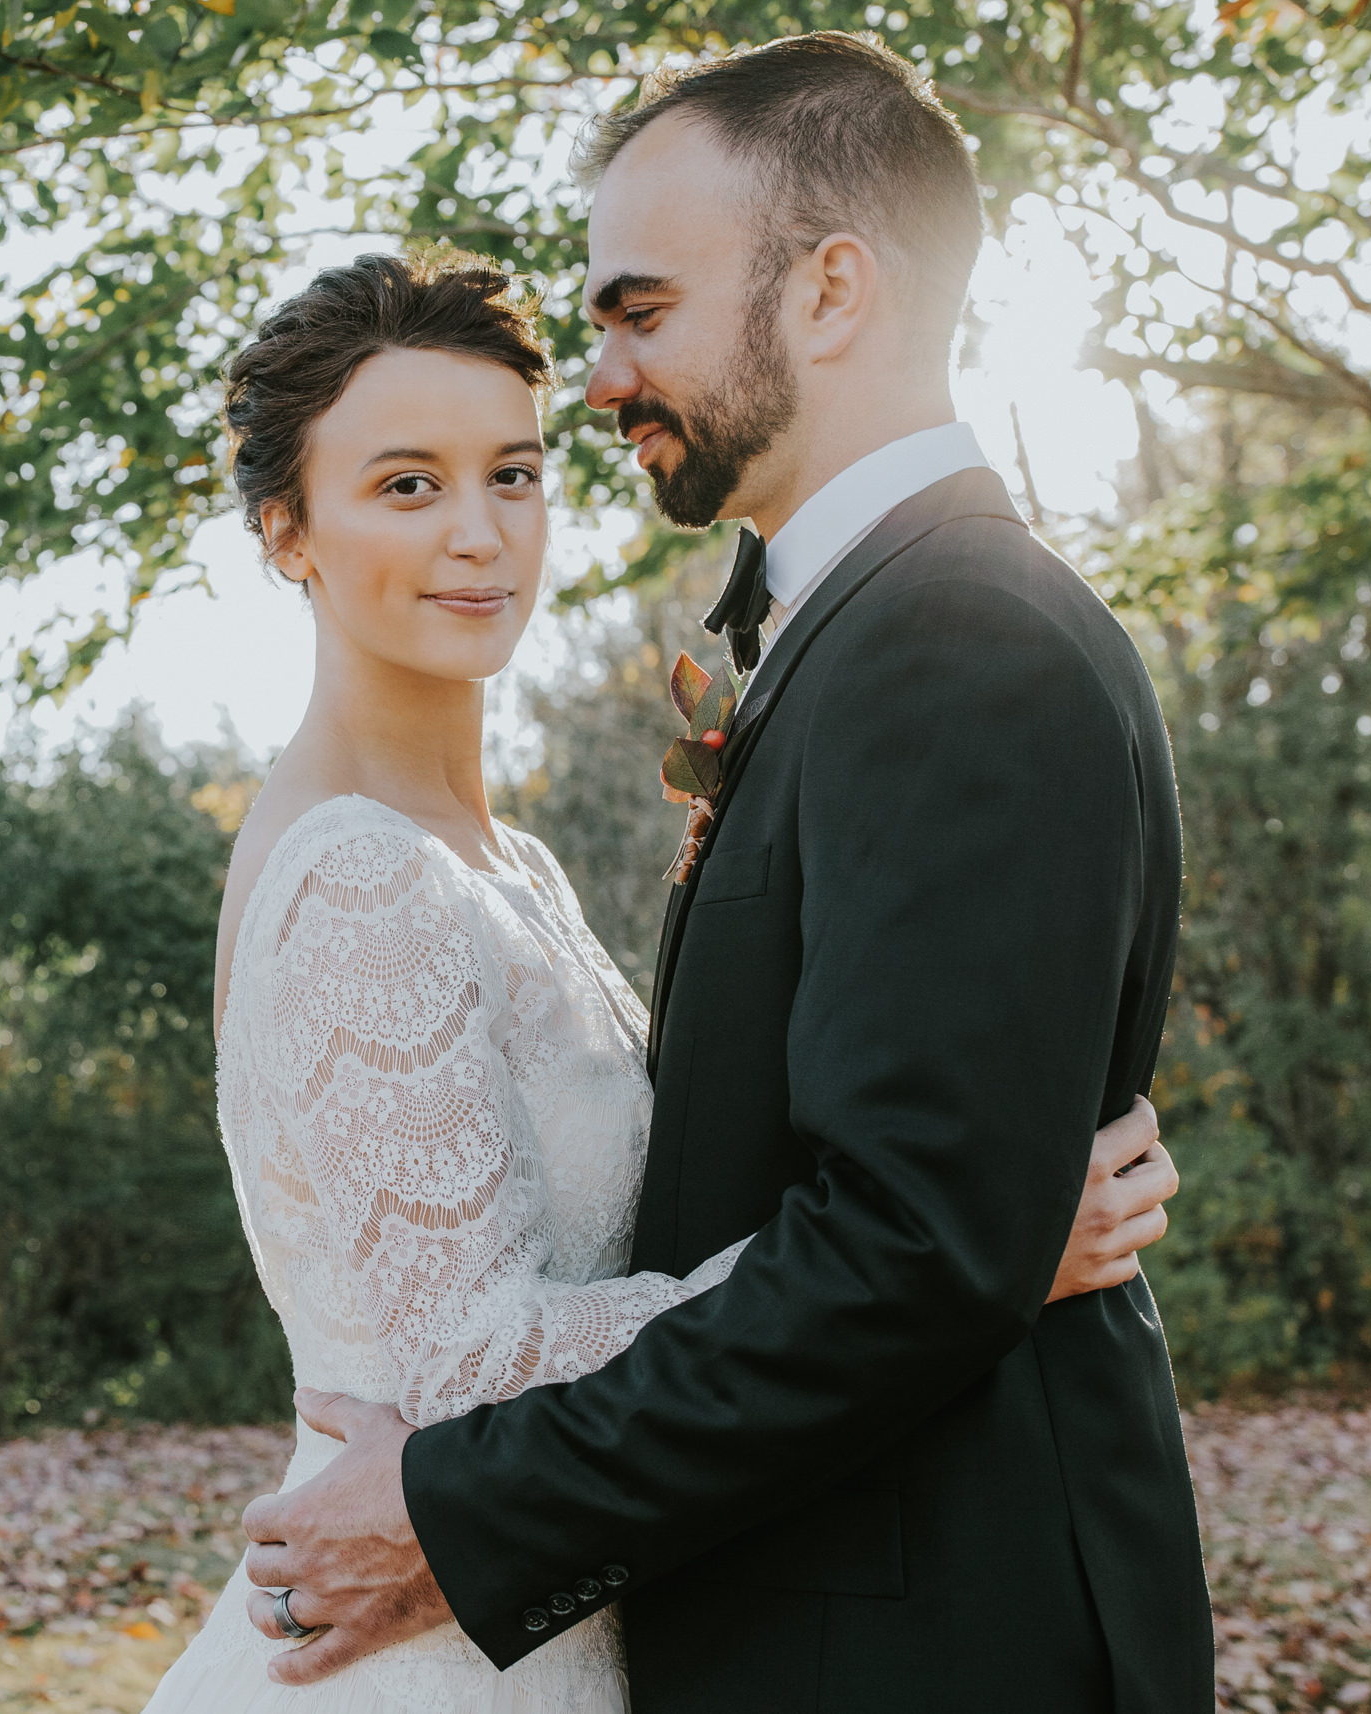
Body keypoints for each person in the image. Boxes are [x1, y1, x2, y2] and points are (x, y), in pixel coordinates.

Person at [226, 35, 1213, 1714]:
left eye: (639, 311)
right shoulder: (860, 636)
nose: (600, 375)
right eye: (409, 481)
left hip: (930, 1640)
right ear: (292, 531)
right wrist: (995, 1234)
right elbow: (899, 1212)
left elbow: (908, 1241)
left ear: (831, 292)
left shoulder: (957, 642)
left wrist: (980, 1241)